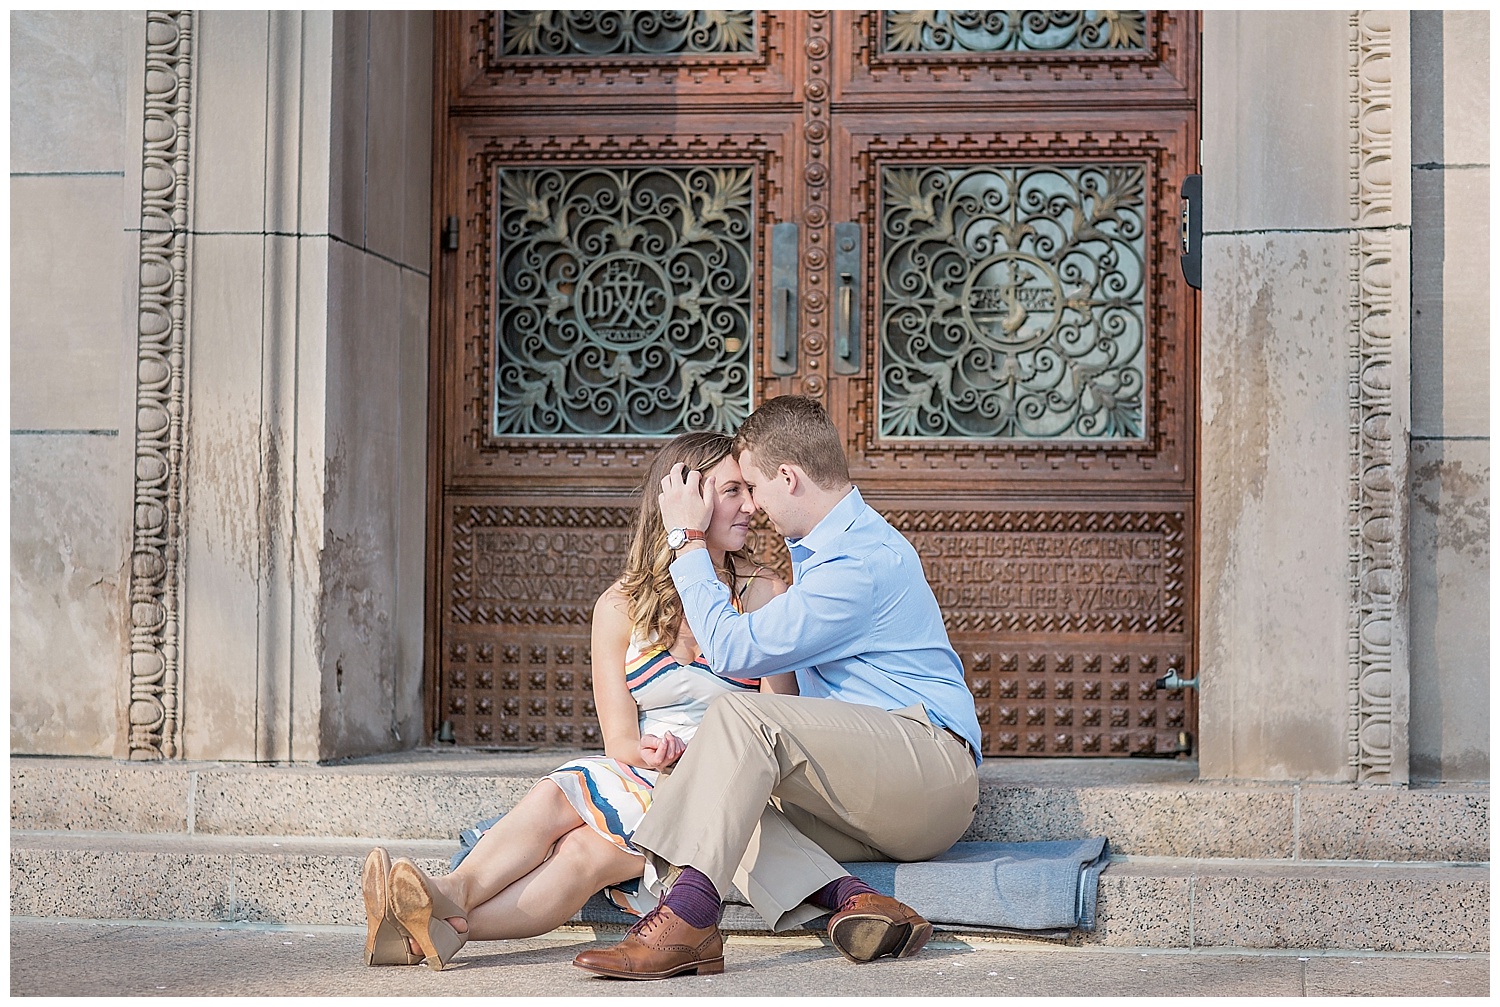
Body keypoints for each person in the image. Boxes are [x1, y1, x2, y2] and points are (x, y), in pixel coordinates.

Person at [572, 395, 982, 981]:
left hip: (927, 770)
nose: (753, 508)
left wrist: (687, 540)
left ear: (788, 478)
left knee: (740, 718)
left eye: (755, 488)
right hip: (861, 788)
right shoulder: (820, 555)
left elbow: (733, 649)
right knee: (711, 792)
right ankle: (856, 900)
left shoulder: (855, 564)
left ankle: (686, 918)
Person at [360, 432, 794, 971]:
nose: (751, 506)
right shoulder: (619, 606)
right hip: (642, 776)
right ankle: (444, 909)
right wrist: (655, 753)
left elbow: (780, 725)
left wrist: (696, 756)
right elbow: (620, 742)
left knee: (583, 843)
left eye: (748, 491)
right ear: (689, 497)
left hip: (721, 794)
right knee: (567, 817)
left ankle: (434, 911)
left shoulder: (764, 591)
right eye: (733, 491)